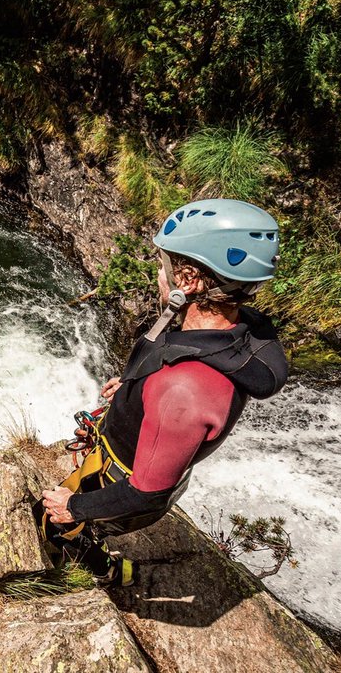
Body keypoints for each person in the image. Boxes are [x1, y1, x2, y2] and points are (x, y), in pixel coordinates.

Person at [37, 198, 288, 587]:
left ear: (187, 280)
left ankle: (104, 572)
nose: (159, 275)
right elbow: (171, 372)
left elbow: (146, 493)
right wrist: (135, 389)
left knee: (54, 525)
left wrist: (76, 507)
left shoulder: (184, 390)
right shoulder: (230, 331)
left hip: (122, 481)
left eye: (164, 267)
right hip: (136, 445)